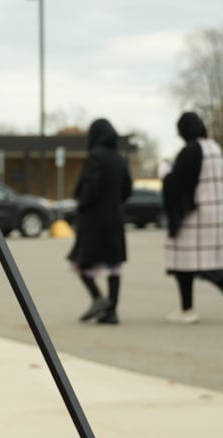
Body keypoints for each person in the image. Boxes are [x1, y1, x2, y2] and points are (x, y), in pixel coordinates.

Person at [162, 111, 223, 324]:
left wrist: (164, 173)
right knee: (204, 261)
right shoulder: (215, 148)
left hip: (194, 215)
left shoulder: (191, 150)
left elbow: (179, 182)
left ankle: (188, 310)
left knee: (185, 262)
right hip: (214, 213)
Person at [67, 118, 132, 325]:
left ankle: (98, 298)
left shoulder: (95, 157)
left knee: (80, 261)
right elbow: (127, 189)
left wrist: (81, 205)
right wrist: (114, 202)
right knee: (114, 265)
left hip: (94, 220)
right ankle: (111, 311)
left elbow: (90, 188)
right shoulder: (119, 158)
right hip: (115, 218)